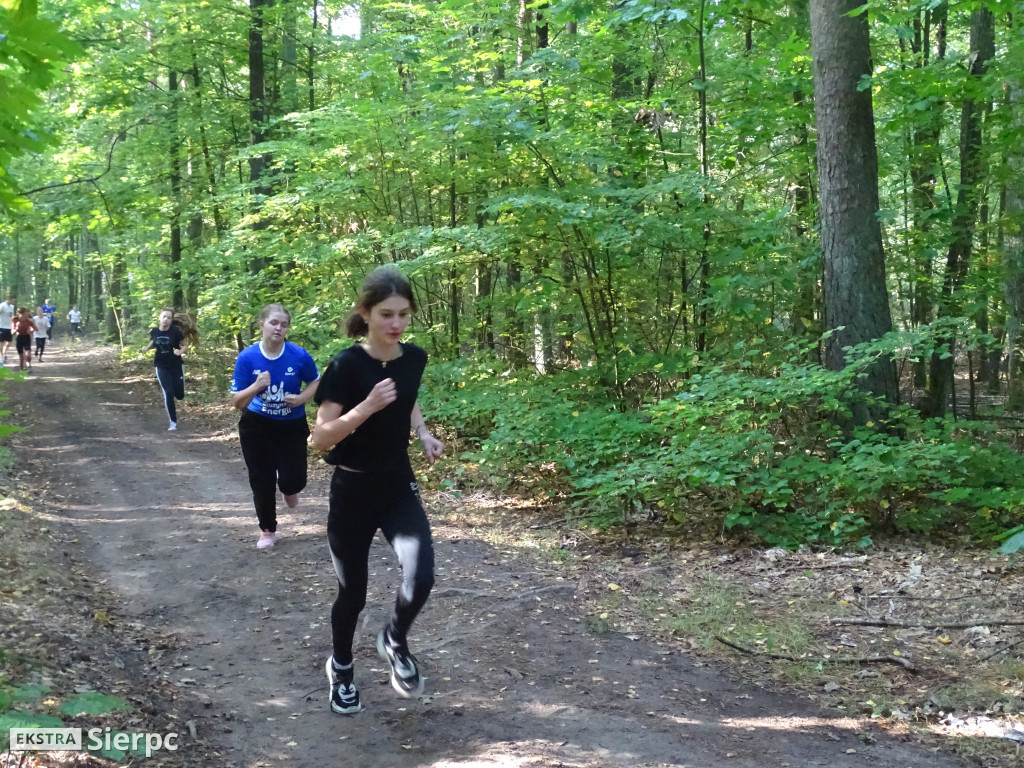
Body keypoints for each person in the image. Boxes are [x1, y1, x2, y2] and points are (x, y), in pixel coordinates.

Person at [312, 267, 444, 715]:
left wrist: (423, 431)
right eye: (387, 314)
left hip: (397, 484)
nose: (397, 324)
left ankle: (394, 638)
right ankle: (342, 668)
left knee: (421, 575)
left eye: (404, 314)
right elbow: (321, 437)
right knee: (353, 592)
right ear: (365, 313)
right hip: (352, 488)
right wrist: (365, 408)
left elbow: (405, 398)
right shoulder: (346, 366)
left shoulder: (415, 359)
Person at [230, 304, 320, 550]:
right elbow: (237, 402)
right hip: (257, 425)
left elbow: (315, 381)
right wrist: (256, 386)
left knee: (294, 480)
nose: (279, 328)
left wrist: (302, 398)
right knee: (261, 479)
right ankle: (267, 530)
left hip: (291, 425)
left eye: (284, 324)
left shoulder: (298, 356)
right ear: (262, 325)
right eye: (274, 323)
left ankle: (288, 487)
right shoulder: (247, 357)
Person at [140, 308, 197, 431]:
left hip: (176, 365)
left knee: (180, 395)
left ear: (171, 320)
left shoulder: (176, 332)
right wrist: (146, 348)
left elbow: (185, 344)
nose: (166, 319)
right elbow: (153, 342)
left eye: (169, 317)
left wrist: (179, 351)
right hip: (161, 366)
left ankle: (178, 398)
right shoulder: (154, 331)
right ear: (160, 317)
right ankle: (173, 423)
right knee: (168, 393)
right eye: (164, 316)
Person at [0, 295, 14, 364]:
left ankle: (5, 352)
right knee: (1, 342)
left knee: (9, 342)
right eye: (11, 299)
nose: (12, 301)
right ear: (8, 299)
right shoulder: (2, 305)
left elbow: (12, 316)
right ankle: (2, 356)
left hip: (9, 327)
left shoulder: (12, 307)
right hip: (1, 326)